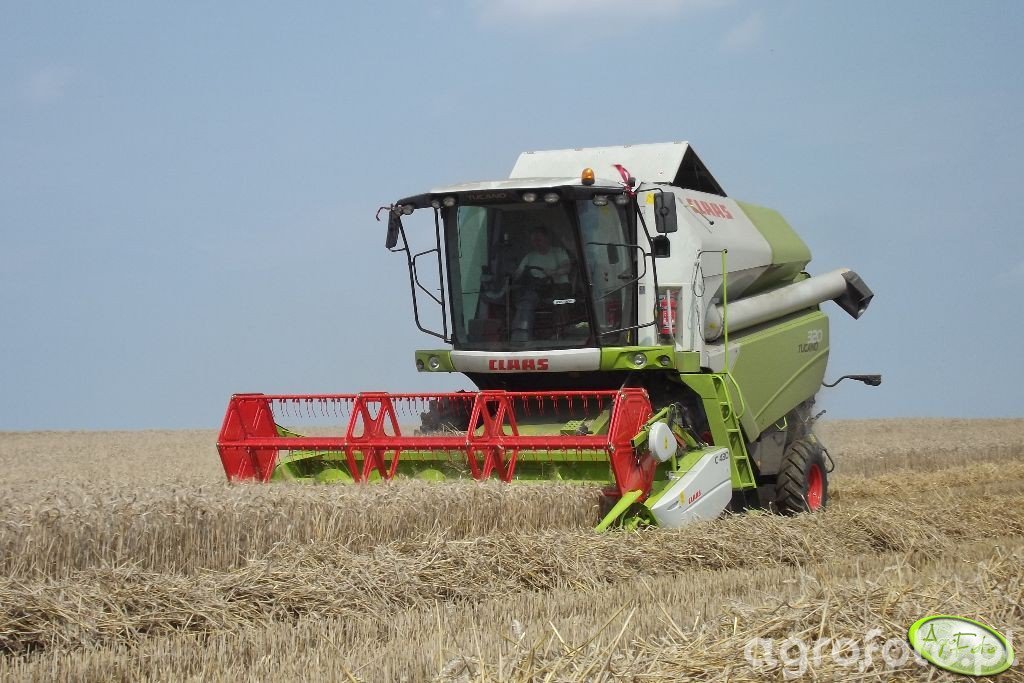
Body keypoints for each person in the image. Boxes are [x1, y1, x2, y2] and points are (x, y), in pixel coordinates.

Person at [511, 226, 571, 342]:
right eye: (534, 241)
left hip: (558, 287)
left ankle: (558, 333)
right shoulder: (530, 256)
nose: (536, 243)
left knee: (558, 302)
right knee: (525, 301)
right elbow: (518, 272)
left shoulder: (558, 252)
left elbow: (567, 267)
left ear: (547, 239)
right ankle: (522, 335)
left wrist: (554, 272)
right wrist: (514, 275)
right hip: (536, 288)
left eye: (539, 240)